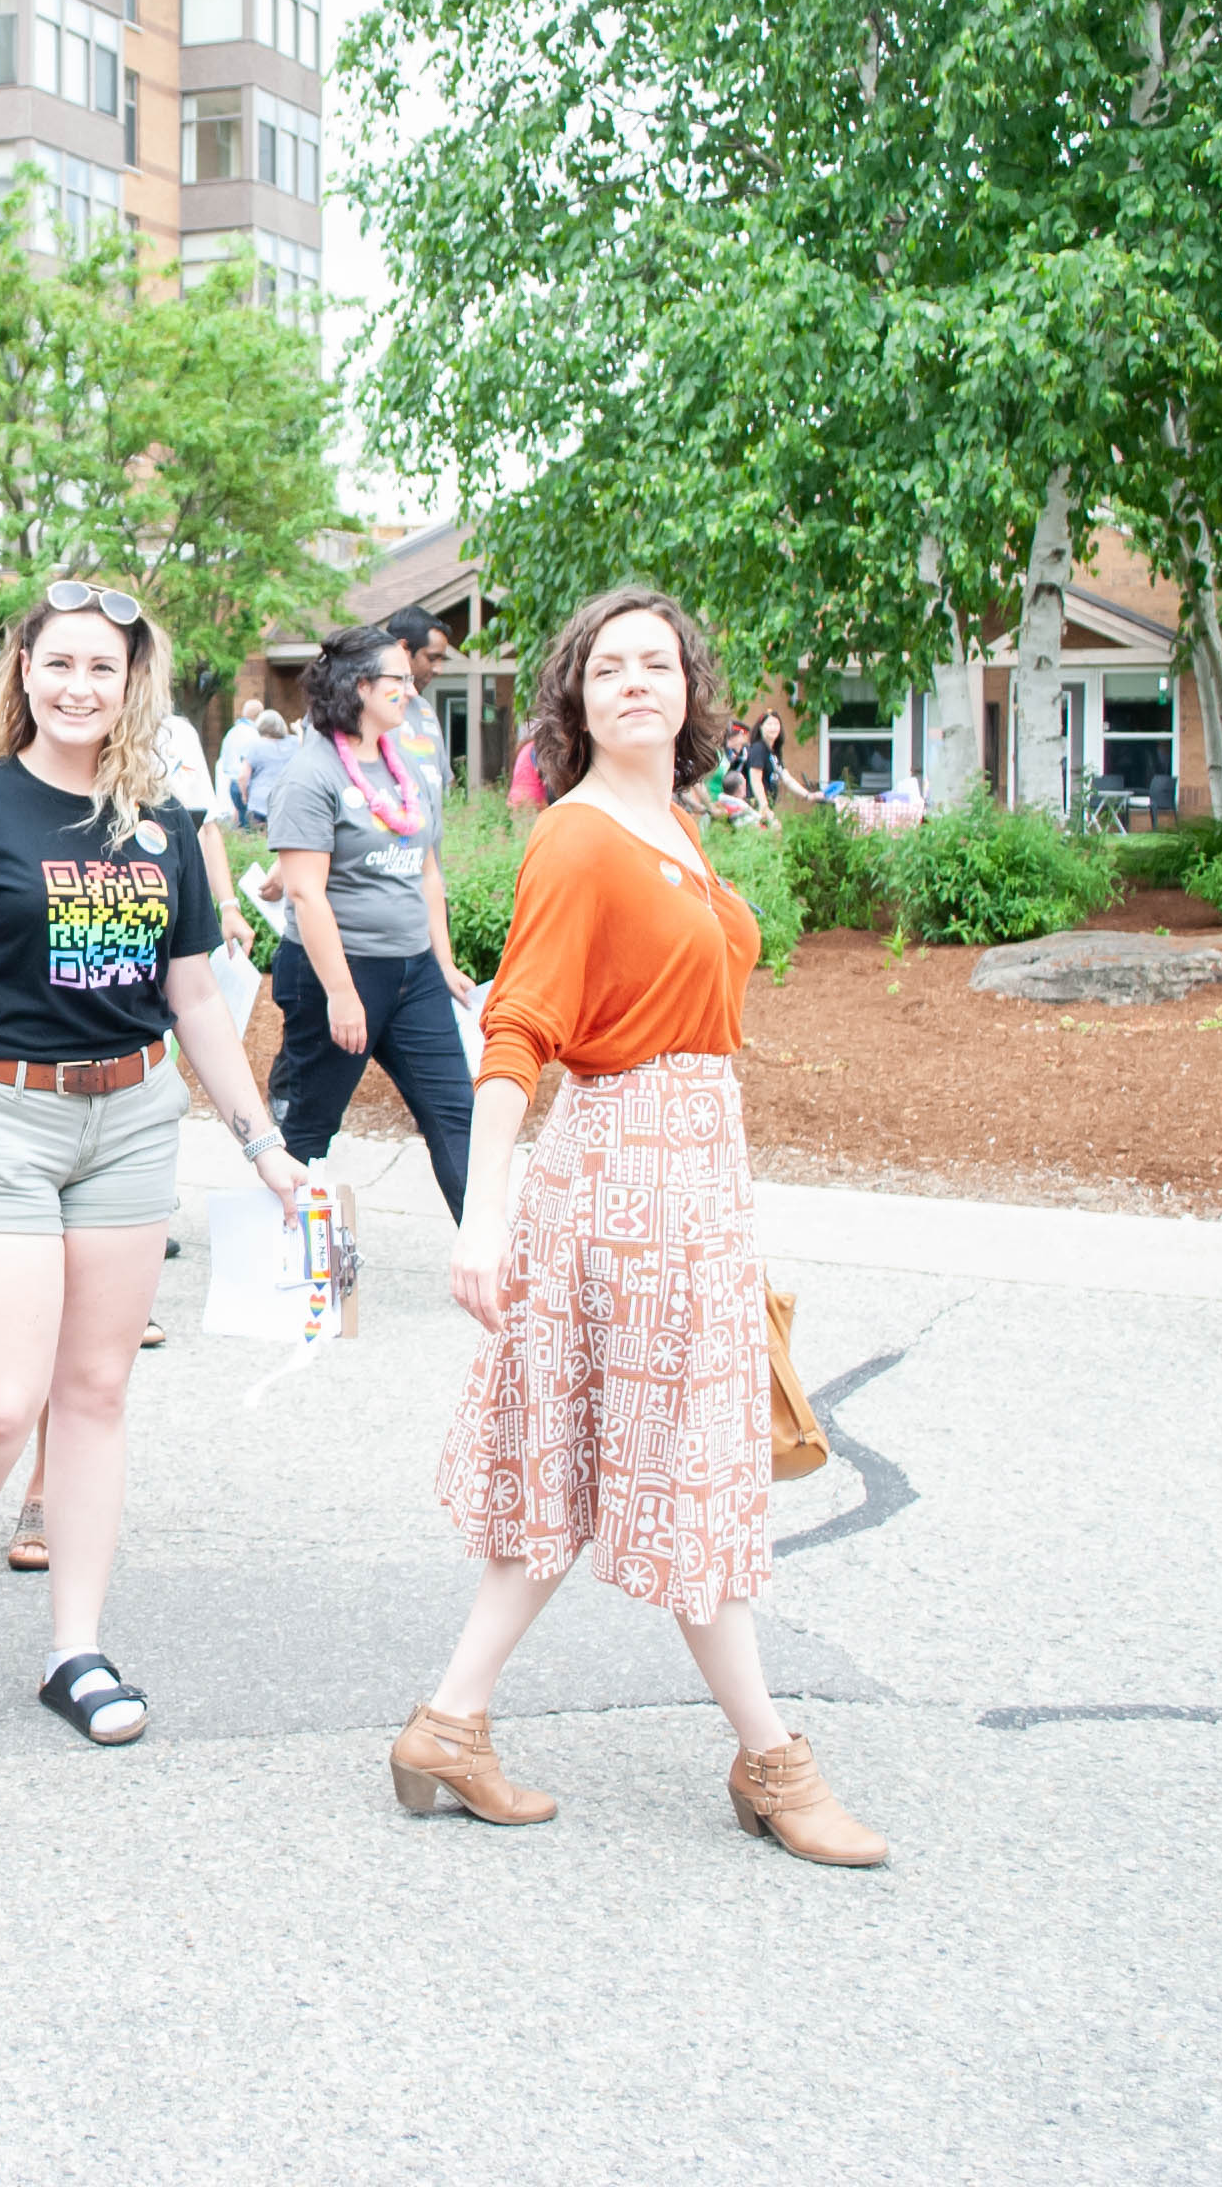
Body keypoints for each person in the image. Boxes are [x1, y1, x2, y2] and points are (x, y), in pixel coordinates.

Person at [406, 585, 884, 1866]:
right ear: (573, 695)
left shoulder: (668, 824)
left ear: (687, 690)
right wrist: (484, 1213)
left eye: (655, 664)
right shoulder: (578, 838)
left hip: (687, 1174)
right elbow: (519, 1032)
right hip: (625, 1179)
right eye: (607, 665)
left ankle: (449, 1726)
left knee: (588, 1461)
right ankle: (773, 1762)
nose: (633, 681)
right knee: (690, 1473)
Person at [0, 580, 305, 1745]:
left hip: (127, 1120)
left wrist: (261, 1144)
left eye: (100, 670)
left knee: (97, 1393)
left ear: (131, 689)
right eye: (56, 663)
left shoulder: (160, 824)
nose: (76, 687)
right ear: (22, 673)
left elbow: (195, 1002)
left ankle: (74, 1646)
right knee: (5, 1398)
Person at [265, 625, 481, 1218]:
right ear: (359, 687)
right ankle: (284, 1268)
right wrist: (341, 994)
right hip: (339, 973)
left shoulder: (405, 769)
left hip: (414, 972)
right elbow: (306, 894)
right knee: (309, 1125)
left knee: (456, 1111)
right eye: (399, 680)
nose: (411, 692)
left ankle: (497, 1262)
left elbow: (427, 871)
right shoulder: (312, 775)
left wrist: (442, 960)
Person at [384, 605, 461, 807]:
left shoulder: (425, 710)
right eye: (432, 658)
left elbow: (443, 779)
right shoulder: (366, 709)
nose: (438, 669)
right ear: (403, 649)